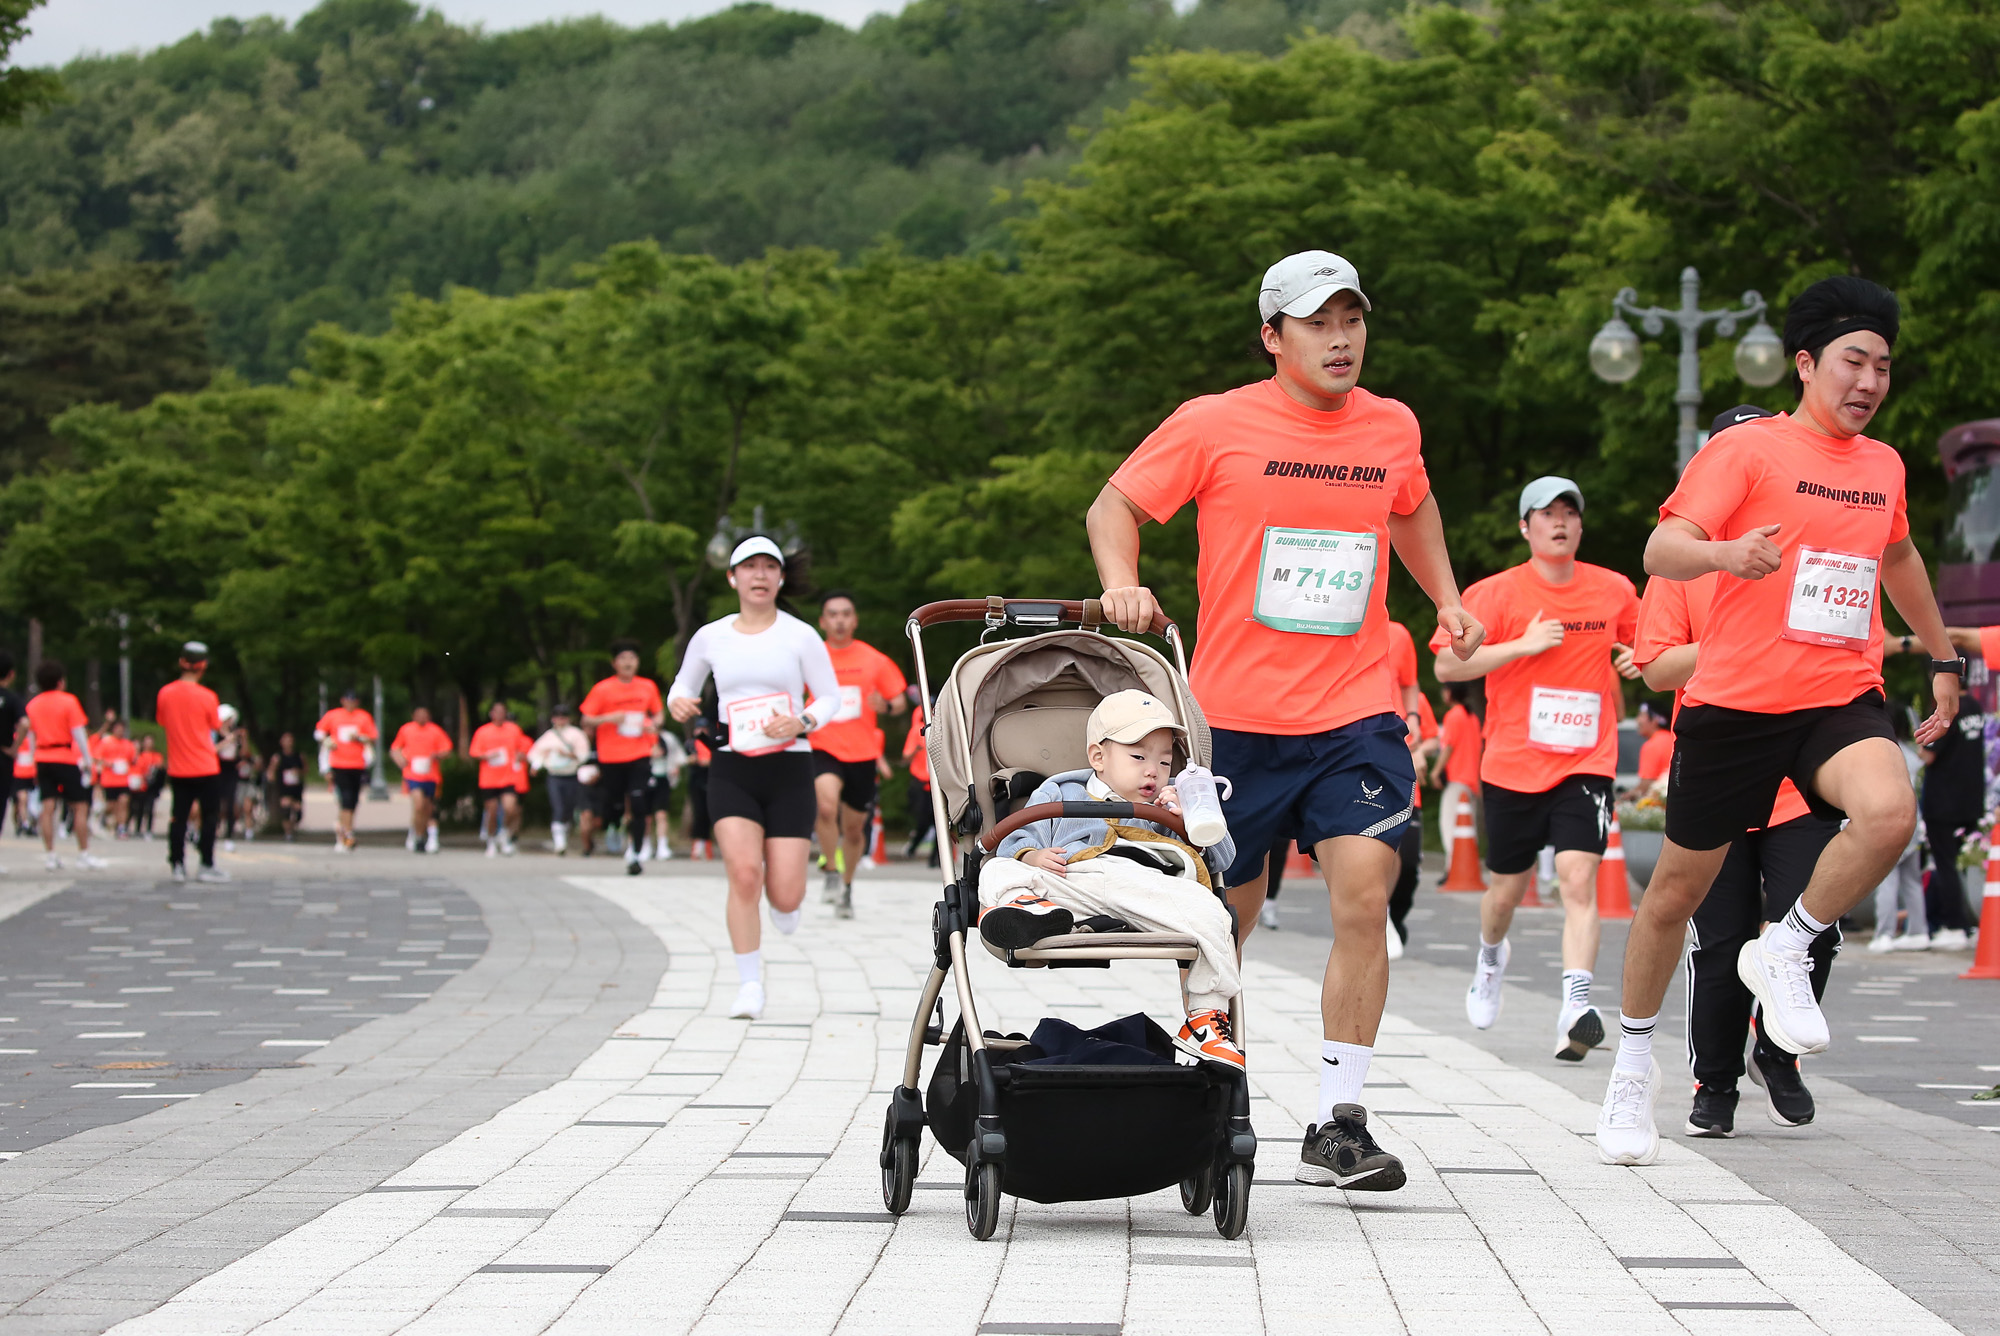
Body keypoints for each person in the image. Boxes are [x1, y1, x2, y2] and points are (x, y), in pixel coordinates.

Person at [1086, 250, 1484, 1193]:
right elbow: (1114, 504)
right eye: (1318, 322)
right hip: (1237, 723)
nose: (1341, 338)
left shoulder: (1391, 425)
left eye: (1353, 319)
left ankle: (1339, 1121)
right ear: (1273, 337)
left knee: (1365, 895)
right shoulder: (1213, 423)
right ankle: (1209, 1092)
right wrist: (1122, 583)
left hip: (1355, 714)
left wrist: (1449, 599)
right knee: (1227, 923)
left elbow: (1412, 509)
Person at [1596, 276, 1963, 1166]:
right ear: (1806, 364)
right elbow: (1661, 548)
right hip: (1736, 704)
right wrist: (1727, 553)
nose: (1869, 381)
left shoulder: (1882, 466)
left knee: (1889, 814)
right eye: (1852, 361)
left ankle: (1789, 947)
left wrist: (1943, 656)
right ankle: (1632, 1066)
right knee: (1673, 899)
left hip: (1838, 693)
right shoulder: (1751, 451)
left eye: (1882, 365)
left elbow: (1902, 554)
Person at [1632, 451, 1843, 1138]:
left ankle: (1777, 1054)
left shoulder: (1814, 535)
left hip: (1798, 774)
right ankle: (1714, 1082)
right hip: (1720, 766)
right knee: (1719, 945)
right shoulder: (1682, 560)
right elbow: (1657, 669)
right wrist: (1736, 640)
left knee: (1813, 931)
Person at [1436, 476, 1641, 1063]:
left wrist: (1633, 658)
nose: (1560, 523)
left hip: (1586, 761)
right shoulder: (1496, 594)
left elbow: (1646, 645)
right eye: (1546, 514)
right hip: (1512, 764)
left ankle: (1576, 1004)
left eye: (1569, 514)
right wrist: (1522, 646)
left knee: (1578, 879)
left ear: (1580, 525)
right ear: (1525, 528)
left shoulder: (1614, 590)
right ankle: (1490, 958)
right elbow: (1449, 668)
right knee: (1506, 892)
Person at [983, 690, 1245, 1068]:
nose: (1152, 770)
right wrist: (1032, 855)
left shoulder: (1166, 810)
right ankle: (1023, 909)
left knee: (1213, 913)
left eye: (1165, 762)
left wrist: (1194, 818)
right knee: (997, 868)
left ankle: (1204, 1018)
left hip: (1142, 887)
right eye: (1138, 757)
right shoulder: (1061, 790)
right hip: (1072, 882)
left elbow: (1223, 860)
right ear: (1098, 757)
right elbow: (1017, 838)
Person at [668, 536, 841, 1020]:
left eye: (770, 567)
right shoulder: (711, 636)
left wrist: (802, 720)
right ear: (733, 578)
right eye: (750, 567)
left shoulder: (800, 635)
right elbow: (683, 685)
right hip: (732, 766)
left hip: (789, 766)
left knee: (784, 893)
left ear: (780, 578)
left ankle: (786, 905)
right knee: (744, 875)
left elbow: (829, 697)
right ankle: (749, 985)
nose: (760, 575)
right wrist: (677, 701)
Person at [807, 592, 910, 919]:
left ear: (854, 620)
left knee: (854, 830)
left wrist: (887, 706)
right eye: (832, 615)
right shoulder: (810, 658)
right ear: (822, 622)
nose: (839, 620)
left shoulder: (873, 659)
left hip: (862, 753)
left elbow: (900, 700)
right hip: (822, 746)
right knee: (825, 806)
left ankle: (847, 887)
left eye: (845, 614)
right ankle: (831, 871)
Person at [581, 639, 665, 876]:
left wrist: (653, 726)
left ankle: (636, 851)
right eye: (623, 659)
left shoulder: (647, 687)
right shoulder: (603, 689)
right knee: (614, 803)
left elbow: (658, 716)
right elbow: (586, 720)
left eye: (633, 658)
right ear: (614, 663)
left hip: (639, 752)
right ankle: (614, 825)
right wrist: (608, 718)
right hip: (611, 756)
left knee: (638, 801)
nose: (629, 663)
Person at [1917, 688, 1985, 949]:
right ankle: (1967, 925)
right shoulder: (1975, 706)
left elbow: (1930, 754)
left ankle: (1954, 925)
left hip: (1944, 799)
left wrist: (1917, 743)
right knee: (1963, 864)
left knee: (1945, 864)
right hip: (1970, 797)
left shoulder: (1947, 708)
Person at [157, 642, 229, 882]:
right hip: (206, 765)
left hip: (178, 767)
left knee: (179, 816)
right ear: (203, 666)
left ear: (181, 662)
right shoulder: (208, 697)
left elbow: (163, 721)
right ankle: (206, 864)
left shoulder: (165, 693)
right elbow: (216, 726)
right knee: (209, 817)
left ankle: (177, 863)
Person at [25, 660, 106, 871]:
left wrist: (34, 760)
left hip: (43, 757)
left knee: (47, 808)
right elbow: (79, 733)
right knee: (80, 806)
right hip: (65, 757)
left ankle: (51, 855)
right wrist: (88, 760)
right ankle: (83, 854)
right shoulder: (69, 701)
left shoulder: (33, 705)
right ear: (61, 682)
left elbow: (31, 737)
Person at [1870, 710, 1928, 952]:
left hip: (1889, 823)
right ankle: (1918, 930)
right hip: (1913, 824)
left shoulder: (1884, 755)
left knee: (1887, 881)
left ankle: (1884, 933)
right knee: (1912, 882)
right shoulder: (1912, 755)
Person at [313, 687, 377, 852]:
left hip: (357, 763)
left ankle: (342, 829)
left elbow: (372, 737)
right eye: (348, 700)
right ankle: (348, 834)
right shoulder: (333, 715)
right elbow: (319, 733)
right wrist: (328, 741)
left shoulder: (363, 717)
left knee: (353, 801)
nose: (350, 703)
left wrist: (359, 738)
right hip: (339, 763)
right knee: (346, 798)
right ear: (343, 701)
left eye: (353, 700)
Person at [468, 701, 529, 857]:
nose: (500, 715)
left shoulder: (514, 730)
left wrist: (522, 755)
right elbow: (474, 752)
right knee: (492, 811)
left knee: (510, 808)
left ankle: (504, 834)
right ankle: (491, 839)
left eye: (503, 712)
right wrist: (487, 755)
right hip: (489, 778)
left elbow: (524, 747)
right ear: (492, 714)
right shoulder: (483, 732)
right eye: (497, 712)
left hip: (508, 776)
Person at [529, 704, 591, 855]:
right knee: (558, 806)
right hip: (555, 776)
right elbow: (537, 753)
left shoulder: (576, 734)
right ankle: (559, 842)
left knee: (569, 807)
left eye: (563, 717)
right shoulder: (549, 736)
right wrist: (537, 765)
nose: (560, 720)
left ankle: (565, 831)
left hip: (571, 775)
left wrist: (569, 755)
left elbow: (583, 755)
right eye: (557, 717)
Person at [391, 707, 454, 854]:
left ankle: (423, 834)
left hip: (430, 774)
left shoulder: (435, 731)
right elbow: (395, 749)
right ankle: (419, 837)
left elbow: (447, 750)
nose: (422, 718)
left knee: (428, 807)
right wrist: (401, 760)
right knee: (418, 805)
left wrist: (437, 756)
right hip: (412, 774)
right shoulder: (406, 730)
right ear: (413, 716)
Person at [902, 694, 936, 864]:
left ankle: (935, 858)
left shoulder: (939, 730)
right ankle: (913, 847)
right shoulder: (916, 731)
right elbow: (905, 757)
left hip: (936, 782)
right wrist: (916, 750)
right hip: (920, 781)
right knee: (923, 820)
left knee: (940, 821)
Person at [646, 729, 687, 860]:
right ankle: (644, 845)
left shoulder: (668, 737)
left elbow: (678, 755)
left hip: (662, 777)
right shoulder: (641, 736)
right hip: (645, 777)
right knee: (645, 816)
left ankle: (662, 846)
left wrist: (676, 767)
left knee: (661, 814)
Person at [94, 719, 136, 837]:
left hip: (123, 779)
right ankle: (102, 816)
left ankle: (121, 827)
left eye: (122, 729)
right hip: (109, 780)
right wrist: (110, 763)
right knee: (112, 805)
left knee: (123, 802)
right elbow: (96, 757)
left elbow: (133, 760)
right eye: (118, 728)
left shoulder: (128, 744)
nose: (120, 731)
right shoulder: (106, 742)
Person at [214, 705, 248, 849]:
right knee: (214, 803)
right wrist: (228, 740)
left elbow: (244, 754)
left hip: (231, 770)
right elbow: (212, 750)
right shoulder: (215, 734)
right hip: (217, 769)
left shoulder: (236, 735)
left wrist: (244, 739)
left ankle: (229, 835)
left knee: (230, 803)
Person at [265, 733, 306, 842]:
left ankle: (292, 828)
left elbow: (305, 770)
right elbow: (271, 772)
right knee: (286, 810)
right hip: (284, 787)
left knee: (298, 812)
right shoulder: (278, 757)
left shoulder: (298, 756)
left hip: (296, 787)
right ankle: (288, 833)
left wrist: (298, 772)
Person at [0, 652, 21, 850]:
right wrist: (14, 748)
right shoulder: (12, 698)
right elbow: (24, 722)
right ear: (11, 674)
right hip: (3, 757)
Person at [1633, 702, 1673, 802]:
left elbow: (1645, 786)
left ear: (1655, 720)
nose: (1637, 720)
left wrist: (1626, 797)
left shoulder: (1652, 745)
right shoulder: (1673, 739)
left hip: (1660, 805)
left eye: (1641, 715)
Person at [130, 735, 162, 839]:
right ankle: (137, 829)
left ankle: (149, 830)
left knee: (150, 808)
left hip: (152, 786)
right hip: (141, 785)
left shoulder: (156, 756)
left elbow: (159, 768)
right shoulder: (140, 756)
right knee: (139, 807)